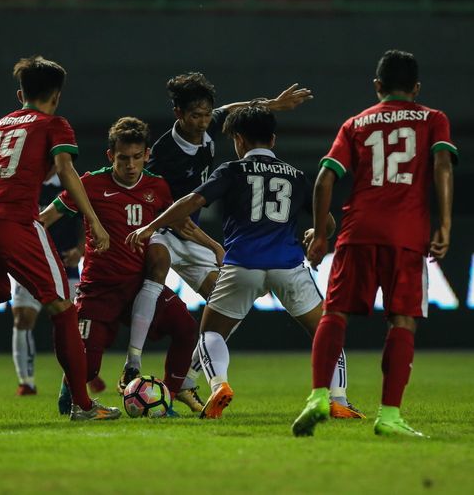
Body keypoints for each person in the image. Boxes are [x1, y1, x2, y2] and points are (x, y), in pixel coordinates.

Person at [127, 105, 361, 419]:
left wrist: (151, 227)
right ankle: (340, 401)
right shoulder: (296, 175)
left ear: (239, 140)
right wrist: (314, 233)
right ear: (273, 140)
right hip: (288, 267)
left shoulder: (232, 171)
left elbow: (192, 202)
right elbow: (328, 222)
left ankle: (219, 385)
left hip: (242, 267)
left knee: (210, 334)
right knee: (324, 331)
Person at [0, 56, 120, 422]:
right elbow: (68, 172)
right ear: (56, 96)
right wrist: (95, 222)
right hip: (19, 223)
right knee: (64, 310)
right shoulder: (54, 124)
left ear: (20, 93)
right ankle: (83, 406)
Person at [119, 72, 314, 408]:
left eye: (207, 114)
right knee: (157, 266)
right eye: (196, 115)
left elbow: (231, 109)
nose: (204, 121)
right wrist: (214, 245)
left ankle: (186, 381)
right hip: (163, 227)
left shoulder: (208, 126)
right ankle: (132, 361)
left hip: (191, 232)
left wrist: (273, 105)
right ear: (179, 114)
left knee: (226, 309)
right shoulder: (164, 153)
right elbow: (174, 211)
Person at [292, 50, 457, 438]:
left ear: (377, 86)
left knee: (335, 315)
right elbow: (443, 166)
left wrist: (320, 233)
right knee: (402, 320)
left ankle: (318, 396)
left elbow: (324, 179)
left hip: (357, 231)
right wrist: (445, 224)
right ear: (416, 88)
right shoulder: (433, 119)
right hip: (406, 236)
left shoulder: (356, 124)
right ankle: (389, 415)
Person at [41, 117, 219, 415]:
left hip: (141, 288)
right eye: (123, 158)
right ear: (111, 156)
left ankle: (169, 396)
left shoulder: (157, 186)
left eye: (138, 157)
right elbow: (44, 220)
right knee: (86, 368)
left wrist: (214, 246)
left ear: (148, 155)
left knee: (186, 329)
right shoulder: (89, 184)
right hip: (99, 289)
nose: (131, 165)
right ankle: (70, 389)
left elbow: (183, 225)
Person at [9, 175, 106, 396]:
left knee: (73, 320)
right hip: (30, 261)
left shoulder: (70, 181)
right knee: (23, 317)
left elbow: (86, 218)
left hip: (65, 264)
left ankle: (85, 371)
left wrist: (81, 249)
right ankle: (26, 381)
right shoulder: (24, 180)